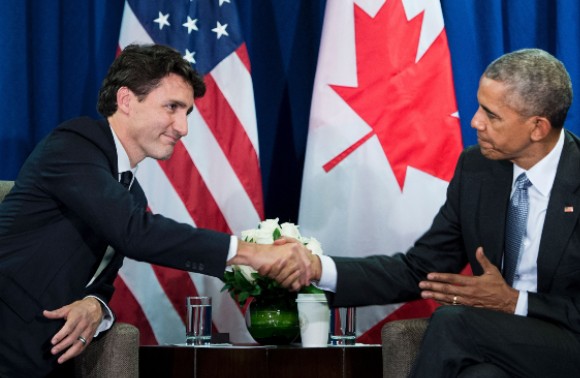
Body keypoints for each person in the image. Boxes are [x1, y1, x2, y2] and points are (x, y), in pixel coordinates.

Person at [0, 44, 315, 377]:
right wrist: (249, 254)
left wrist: (96, 306)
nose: (183, 127)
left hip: (49, 358)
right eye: (172, 107)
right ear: (125, 101)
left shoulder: (131, 193)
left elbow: (100, 283)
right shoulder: (73, 144)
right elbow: (135, 233)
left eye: (186, 113)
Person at [275, 48, 580, 377]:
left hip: (568, 340)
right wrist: (318, 268)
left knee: (453, 322)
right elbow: (419, 269)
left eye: (492, 115)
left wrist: (514, 302)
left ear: (537, 127)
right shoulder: (477, 168)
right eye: (479, 106)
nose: (475, 121)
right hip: (499, 339)